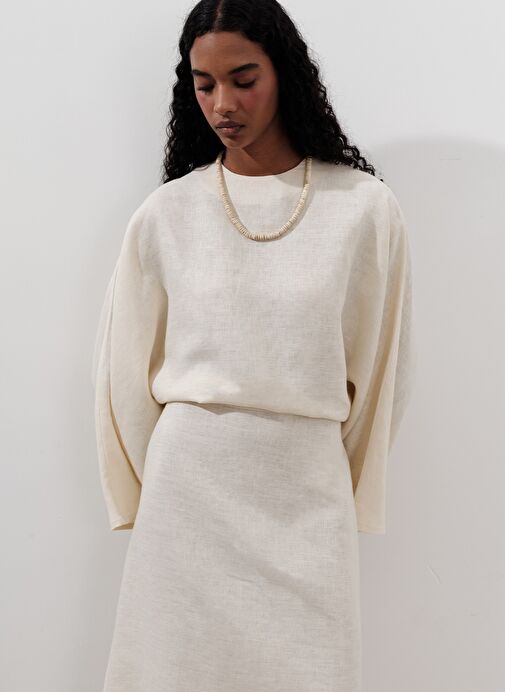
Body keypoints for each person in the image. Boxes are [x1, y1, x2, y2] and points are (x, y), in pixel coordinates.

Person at [91, 0, 417, 690]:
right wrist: (154, 489)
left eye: (243, 80)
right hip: (188, 496)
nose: (223, 105)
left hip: (305, 491)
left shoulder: (362, 209)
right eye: (204, 84)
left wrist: (331, 472)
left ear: (284, 74)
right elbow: (123, 375)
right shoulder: (167, 213)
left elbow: (380, 371)